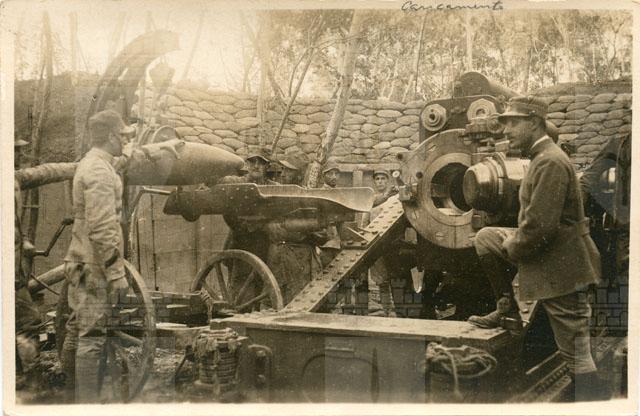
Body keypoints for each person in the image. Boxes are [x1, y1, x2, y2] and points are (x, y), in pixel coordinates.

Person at [466, 96, 602, 400]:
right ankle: (507, 309)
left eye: (513, 123)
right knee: (486, 237)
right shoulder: (541, 157)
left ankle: (593, 404)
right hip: (552, 255)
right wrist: (508, 240)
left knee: (576, 355)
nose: (506, 130)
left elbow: (539, 228)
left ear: (534, 123)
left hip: (564, 269)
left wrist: (513, 247)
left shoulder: (550, 161)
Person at [61, 109, 180, 402]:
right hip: (95, 264)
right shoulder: (99, 173)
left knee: (77, 329)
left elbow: (120, 162)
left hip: (82, 259)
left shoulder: (96, 162)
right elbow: (102, 228)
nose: (125, 141)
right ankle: (85, 405)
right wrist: (116, 273)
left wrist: (157, 148)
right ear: (112, 136)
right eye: (123, 136)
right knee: (92, 336)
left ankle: (68, 397)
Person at [14, 137, 42, 389]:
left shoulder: (13, 178)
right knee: (28, 321)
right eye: (15, 150)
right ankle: (31, 381)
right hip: (10, 275)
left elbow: (45, 172)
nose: (20, 155)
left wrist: (22, 240)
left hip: (14, 270)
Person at [364, 170, 398, 317]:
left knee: (395, 278)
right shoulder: (370, 200)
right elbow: (365, 223)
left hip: (392, 244)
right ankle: (387, 310)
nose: (380, 181)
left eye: (383, 178)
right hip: (377, 244)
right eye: (377, 179)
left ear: (388, 181)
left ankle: (399, 310)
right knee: (381, 280)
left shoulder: (394, 198)